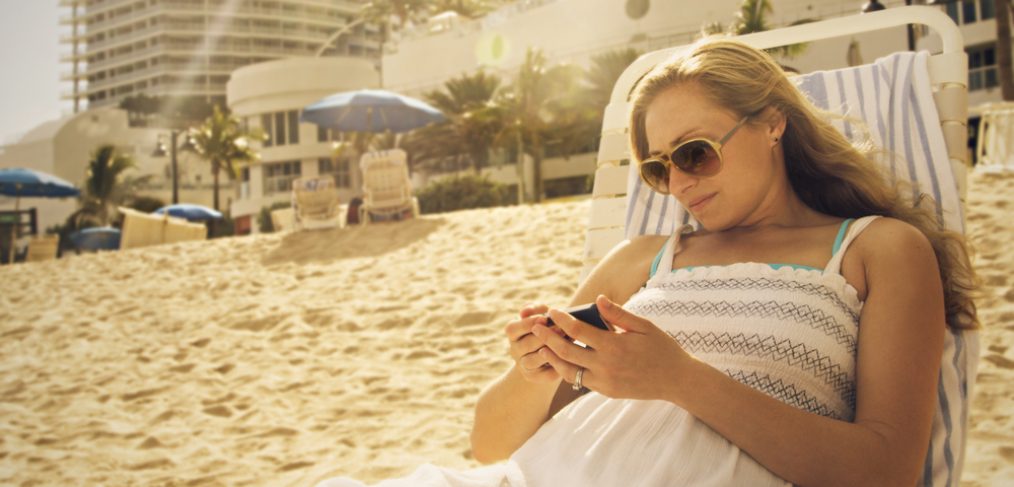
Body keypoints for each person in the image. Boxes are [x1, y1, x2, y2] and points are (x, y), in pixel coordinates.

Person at [317, 38, 979, 487]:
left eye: (695, 152)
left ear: (772, 121)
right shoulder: (640, 259)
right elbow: (490, 446)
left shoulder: (878, 248)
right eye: (659, 169)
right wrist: (532, 372)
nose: (681, 181)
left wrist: (682, 379)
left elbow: (888, 468)